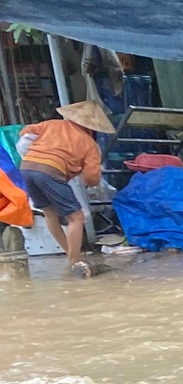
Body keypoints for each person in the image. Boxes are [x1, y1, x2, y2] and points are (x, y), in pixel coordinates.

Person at [17, 100, 112, 272]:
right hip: (51, 172)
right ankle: (74, 261)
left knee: (49, 214)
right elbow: (92, 177)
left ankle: (71, 254)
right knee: (76, 218)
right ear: (93, 127)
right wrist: (86, 178)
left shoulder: (52, 124)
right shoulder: (90, 144)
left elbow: (25, 132)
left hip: (26, 168)